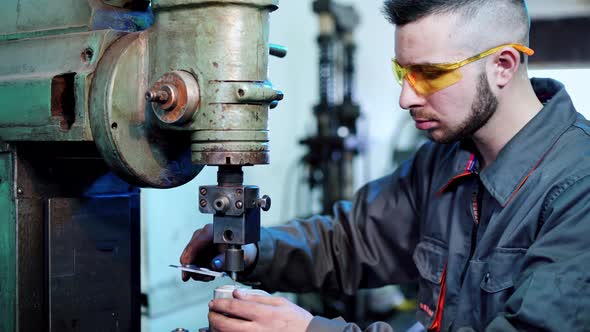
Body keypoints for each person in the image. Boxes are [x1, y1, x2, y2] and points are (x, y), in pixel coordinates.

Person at [180, 0, 590, 331]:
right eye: (403, 72)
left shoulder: (578, 188)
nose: (406, 98)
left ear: (502, 65)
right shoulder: (443, 161)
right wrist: (253, 251)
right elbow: (350, 241)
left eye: (430, 74)